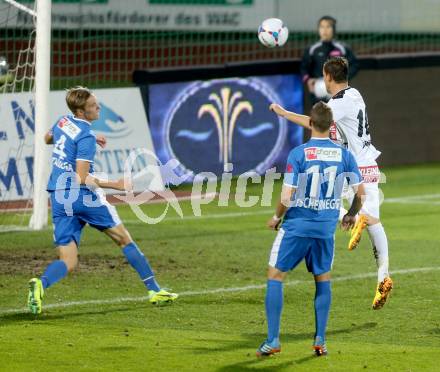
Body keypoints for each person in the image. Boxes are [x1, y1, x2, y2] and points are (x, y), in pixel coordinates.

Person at [27, 86, 178, 314]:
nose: (98, 108)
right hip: (81, 197)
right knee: (123, 239)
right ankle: (154, 290)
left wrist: (75, 140)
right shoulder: (85, 136)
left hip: (59, 197)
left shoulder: (63, 122)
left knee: (68, 260)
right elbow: (81, 177)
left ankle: (41, 284)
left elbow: (48, 137)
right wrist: (115, 185)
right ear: (81, 111)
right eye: (93, 106)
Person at [270, 57, 393, 310]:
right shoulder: (355, 94)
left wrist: (284, 114)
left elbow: (316, 123)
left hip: (350, 166)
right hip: (370, 163)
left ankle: (352, 218)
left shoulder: (337, 103)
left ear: (327, 76)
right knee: (374, 223)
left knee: (314, 200)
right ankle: (383, 276)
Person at [256, 101, 365, 357]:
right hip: (325, 228)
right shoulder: (344, 155)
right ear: (331, 126)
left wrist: (275, 217)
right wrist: (350, 214)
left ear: (310, 124)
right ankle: (320, 340)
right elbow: (360, 194)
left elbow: (287, 195)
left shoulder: (299, 153)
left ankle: (273, 340)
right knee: (322, 280)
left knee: (275, 276)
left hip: (297, 226)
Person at [301, 15, 359, 104]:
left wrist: (342, 80)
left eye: (328, 27)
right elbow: (303, 68)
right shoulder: (312, 50)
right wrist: (308, 80)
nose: (325, 30)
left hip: (339, 93)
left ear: (333, 29)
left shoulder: (342, 48)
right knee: (320, 117)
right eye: (322, 27)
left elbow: (354, 65)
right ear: (318, 29)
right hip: (318, 94)